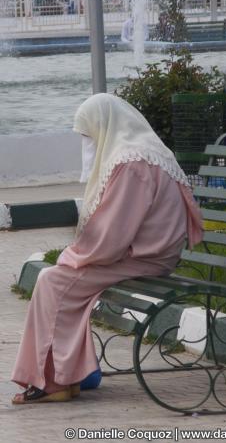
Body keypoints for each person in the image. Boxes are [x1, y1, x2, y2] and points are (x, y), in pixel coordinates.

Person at [11, 93, 203, 404]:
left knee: (53, 281)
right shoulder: (145, 151)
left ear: (104, 126)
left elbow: (112, 236)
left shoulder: (132, 163)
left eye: (89, 134)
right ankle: (69, 375)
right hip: (150, 253)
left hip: (144, 257)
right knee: (61, 280)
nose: (88, 143)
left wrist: (73, 256)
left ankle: (53, 383)